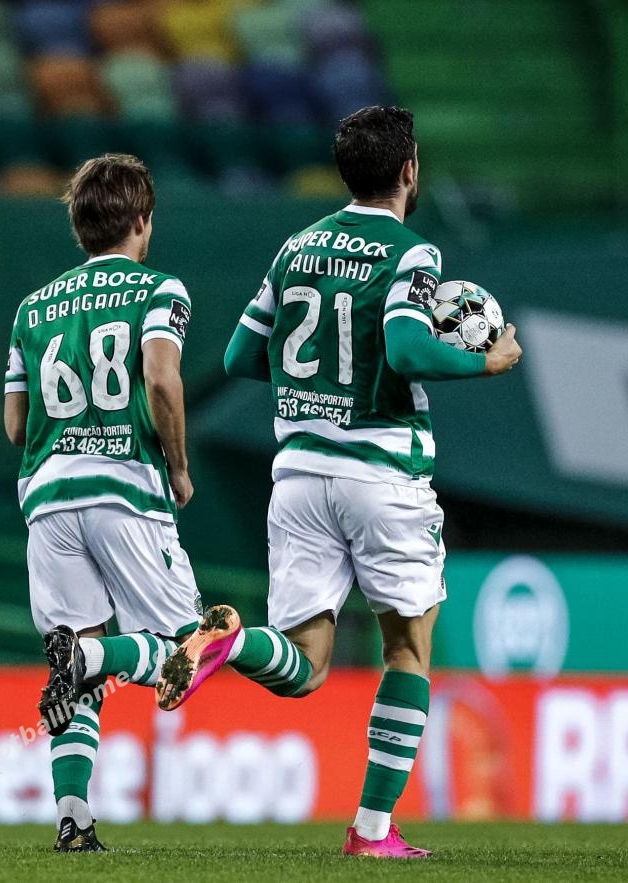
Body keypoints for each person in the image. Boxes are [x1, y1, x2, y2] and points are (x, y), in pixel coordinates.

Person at [154, 106, 523, 858]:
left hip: (298, 474)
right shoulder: (412, 253)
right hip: (381, 470)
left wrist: (314, 380)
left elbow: (239, 356)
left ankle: (233, 641)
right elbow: (408, 349)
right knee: (408, 649)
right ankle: (372, 831)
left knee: (304, 668)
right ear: (409, 170)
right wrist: (485, 360)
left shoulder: (297, 246)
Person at [4, 154, 200, 852]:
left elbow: (16, 425)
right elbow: (161, 379)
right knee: (186, 655)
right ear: (141, 221)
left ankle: (73, 818)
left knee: (73, 670)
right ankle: (91, 657)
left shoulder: (32, 308)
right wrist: (178, 465)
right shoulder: (159, 289)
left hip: (48, 497)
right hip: (124, 488)